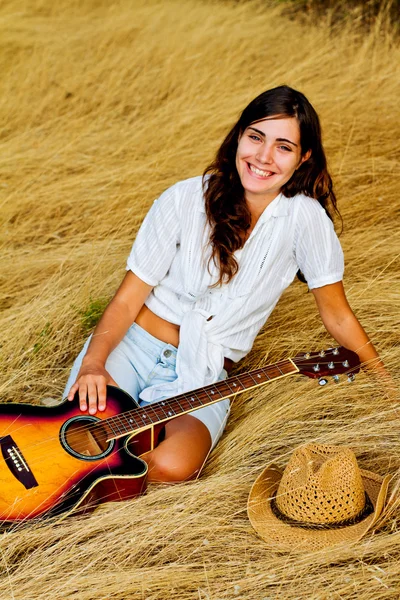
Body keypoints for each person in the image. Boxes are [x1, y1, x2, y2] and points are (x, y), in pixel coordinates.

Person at [64, 85, 386, 484]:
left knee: (172, 467)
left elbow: (337, 314)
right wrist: (95, 364)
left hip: (206, 369)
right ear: (239, 136)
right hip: (132, 346)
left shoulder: (306, 220)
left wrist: (389, 390)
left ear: (304, 158)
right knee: (78, 448)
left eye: (283, 147)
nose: (263, 157)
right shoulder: (184, 198)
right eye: (255, 137)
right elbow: (129, 299)